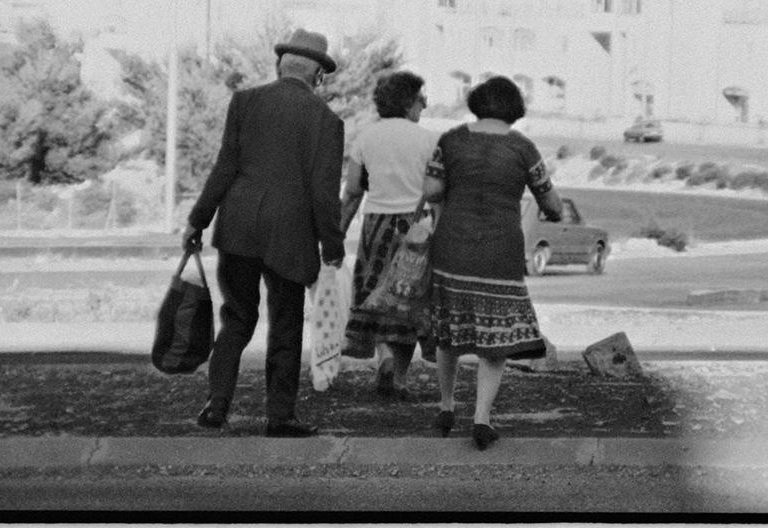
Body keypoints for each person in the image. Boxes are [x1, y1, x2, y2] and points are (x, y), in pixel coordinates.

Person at [182, 28, 345, 438]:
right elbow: (324, 194)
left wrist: (198, 220)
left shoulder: (245, 102)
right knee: (285, 324)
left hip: (237, 225)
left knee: (236, 319)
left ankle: (216, 406)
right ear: (318, 76)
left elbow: (225, 167)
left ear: (280, 65)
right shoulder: (327, 121)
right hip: (290, 235)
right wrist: (333, 245)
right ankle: (280, 416)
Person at [421, 76, 563, 450]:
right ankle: (482, 417)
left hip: (452, 243)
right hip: (499, 250)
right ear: (514, 109)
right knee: (495, 340)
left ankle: (447, 405)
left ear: (477, 102)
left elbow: (432, 190)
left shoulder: (450, 140)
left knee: (448, 331)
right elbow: (552, 204)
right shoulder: (524, 148)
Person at [339, 71, 440, 400]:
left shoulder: (367, 137)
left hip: (377, 227)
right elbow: (438, 192)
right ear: (409, 102)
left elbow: (353, 191)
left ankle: (383, 358)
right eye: (421, 101)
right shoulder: (428, 140)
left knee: (376, 296)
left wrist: (337, 233)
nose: (423, 108)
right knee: (408, 301)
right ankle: (398, 379)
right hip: (418, 227)